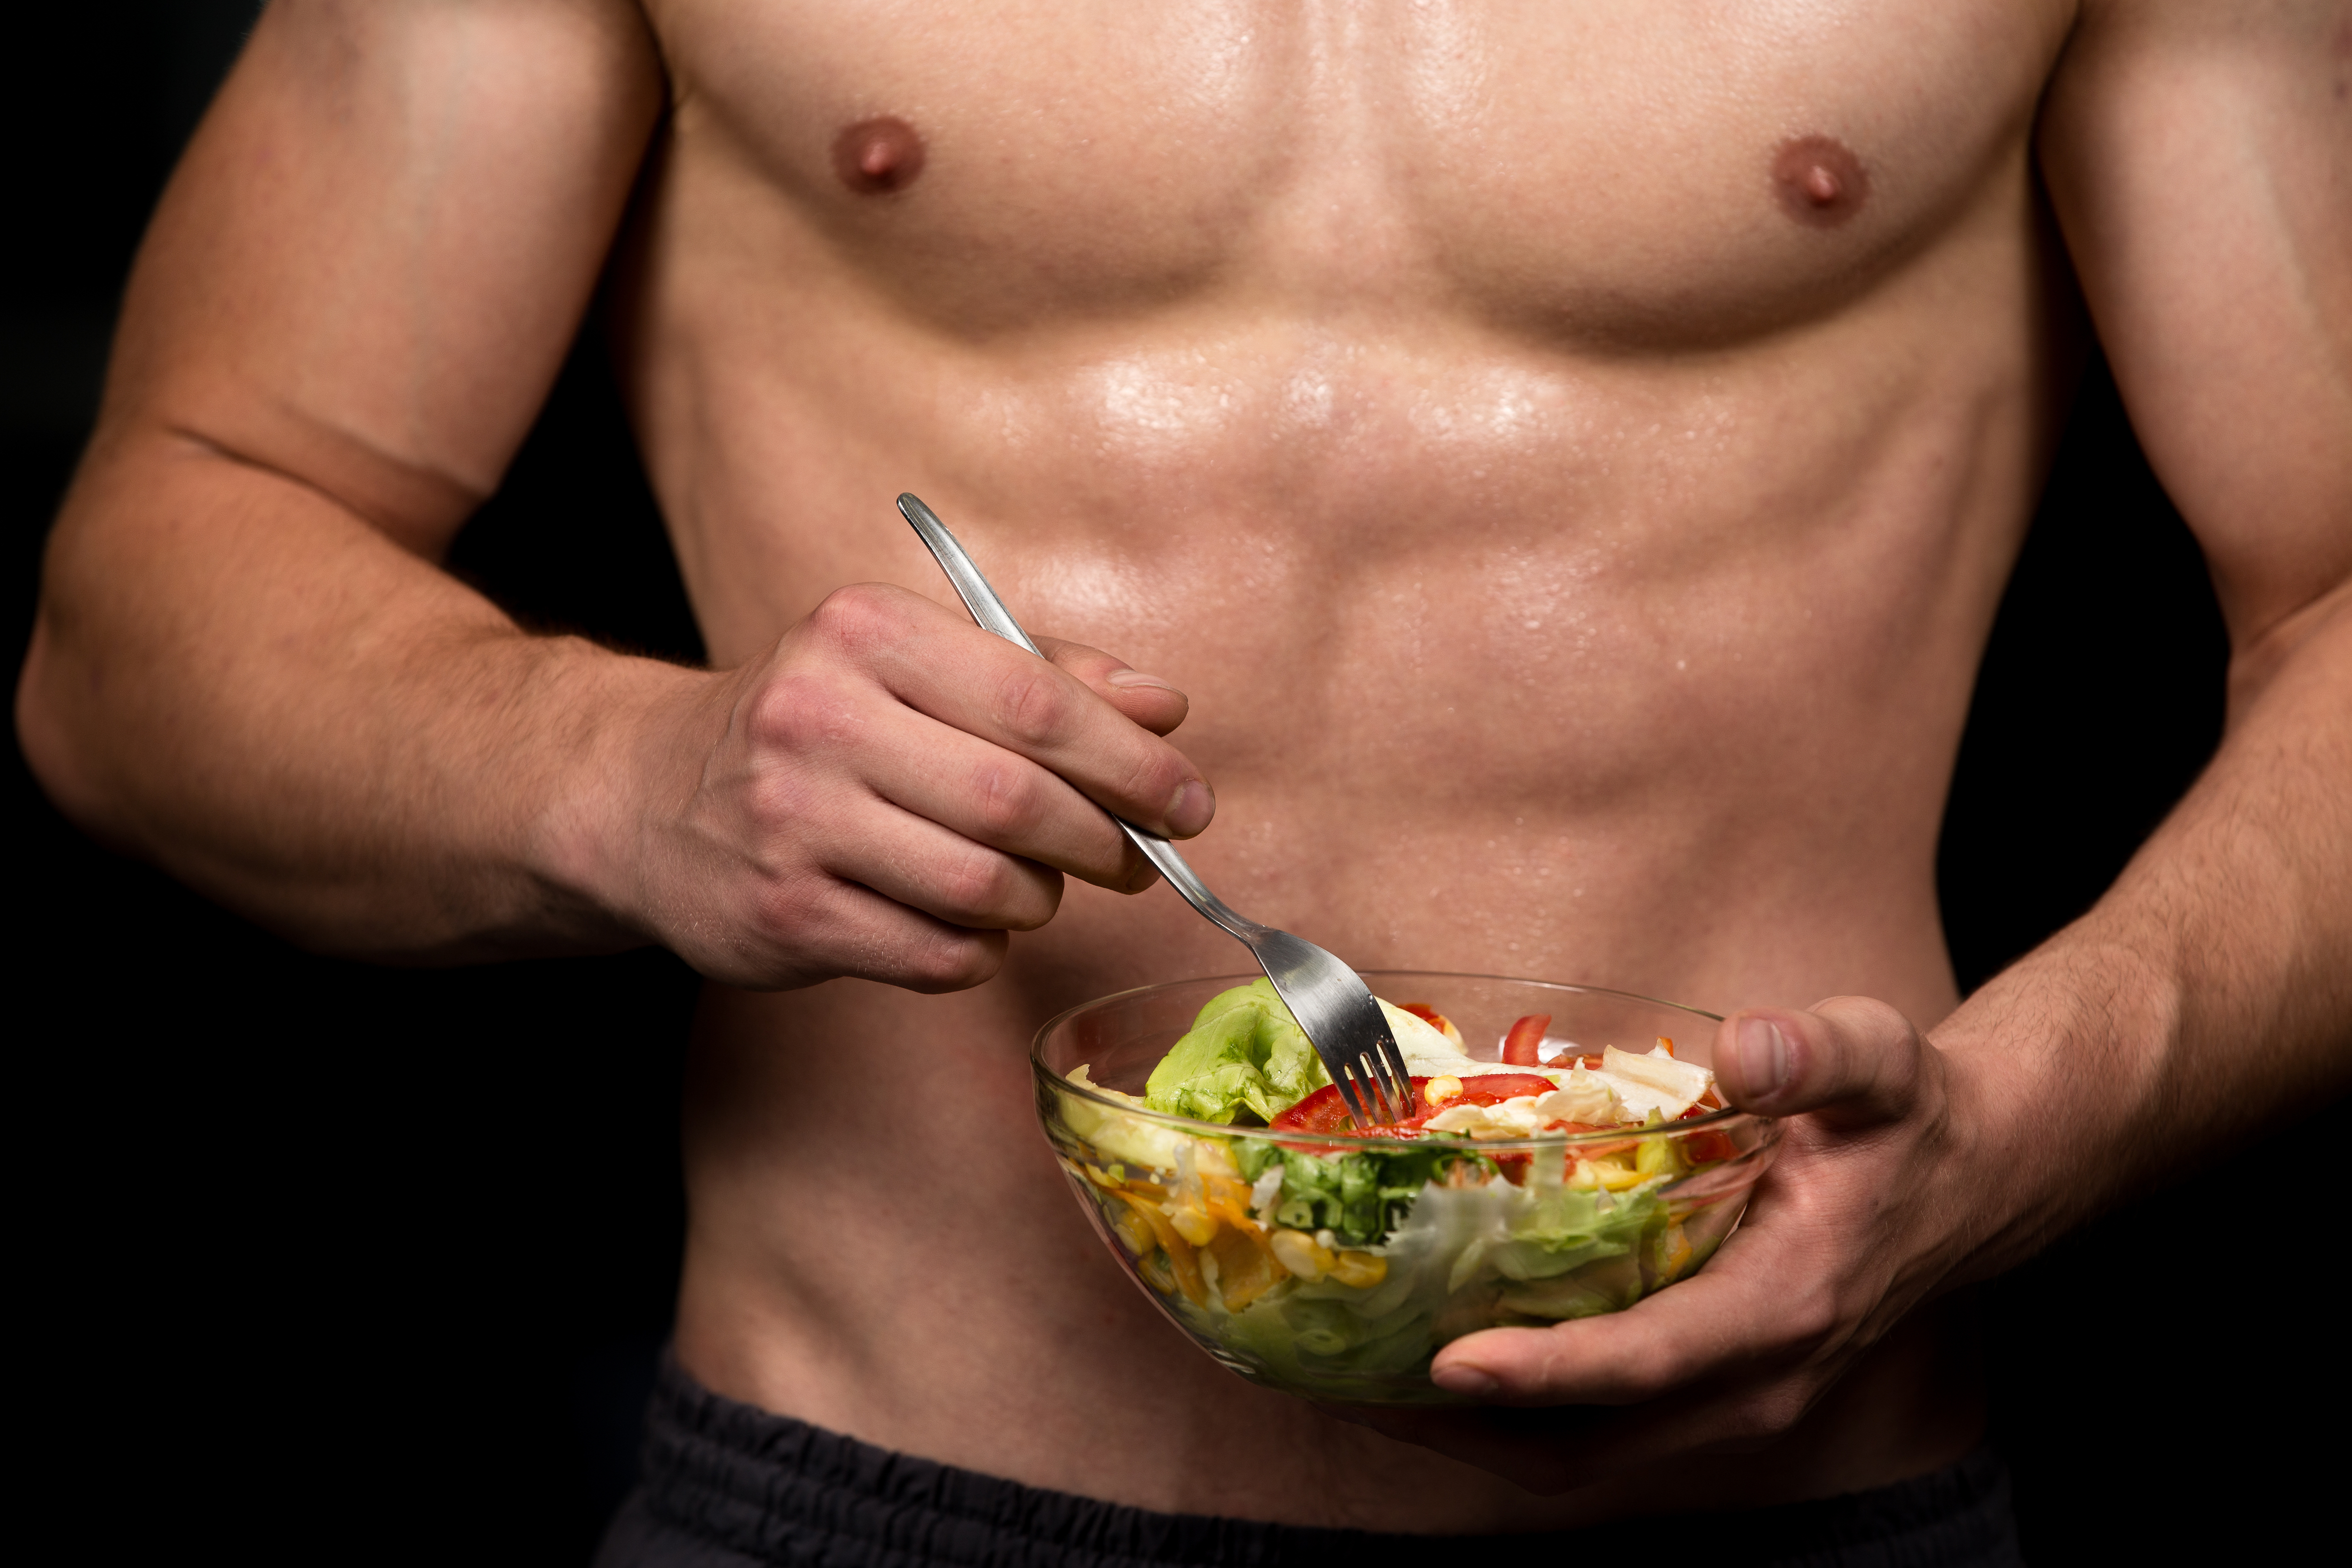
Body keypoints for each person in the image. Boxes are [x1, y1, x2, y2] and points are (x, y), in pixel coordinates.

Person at [16, 1, 2348, 1561]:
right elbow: (147, 599)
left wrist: (2022, 1136)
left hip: (1798, 1495)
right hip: (880, 1485)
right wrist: (628, 770)